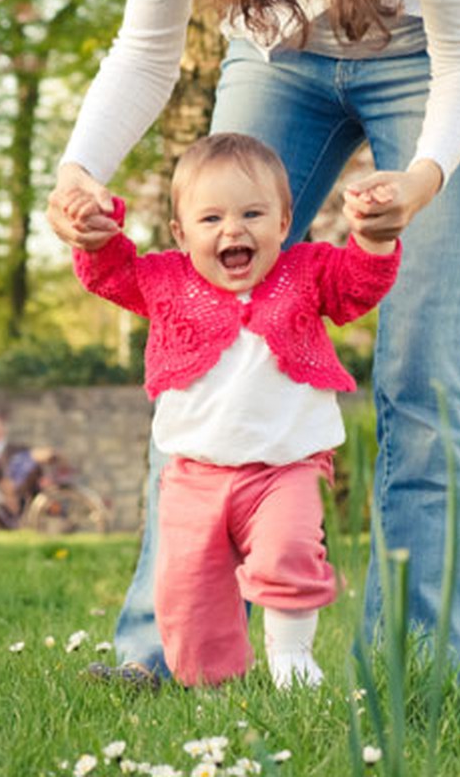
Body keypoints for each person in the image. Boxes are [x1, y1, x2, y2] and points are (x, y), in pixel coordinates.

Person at [47, 0, 460, 683]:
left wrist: (421, 182)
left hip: (435, 58)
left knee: (425, 376)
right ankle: (162, 655)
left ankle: (420, 671)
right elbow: (145, 51)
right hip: (276, 54)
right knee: (198, 341)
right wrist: (78, 173)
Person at [64, 133, 401, 687]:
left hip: (287, 467)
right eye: (211, 218)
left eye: (252, 214)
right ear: (181, 233)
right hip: (194, 476)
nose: (233, 230)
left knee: (290, 551)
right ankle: (213, 688)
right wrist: (96, 230)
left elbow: (357, 286)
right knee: (187, 592)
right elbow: (111, 273)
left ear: (284, 221)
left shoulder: (306, 272)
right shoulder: (167, 280)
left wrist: (374, 240)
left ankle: (292, 658)